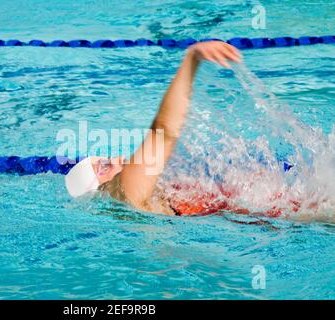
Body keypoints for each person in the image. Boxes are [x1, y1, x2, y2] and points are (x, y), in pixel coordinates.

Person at [65, 41, 256, 216]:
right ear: (98, 188)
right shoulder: (122, 192)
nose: (118, 159)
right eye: (104, 166)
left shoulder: (142, 201)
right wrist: (192, 59)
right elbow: (163, 132)